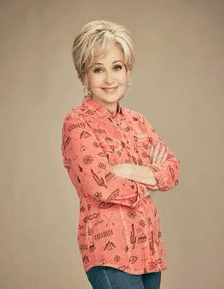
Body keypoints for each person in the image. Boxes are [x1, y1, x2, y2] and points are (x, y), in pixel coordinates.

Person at [61, 20, 180, 289]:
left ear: (127, 71)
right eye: (98, 70)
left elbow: (172, 170)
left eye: (117, 67)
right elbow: (102, 186)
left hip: (149, 250)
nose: (110, 79)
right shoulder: (77, 123)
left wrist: (129, 170)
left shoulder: (138, 122)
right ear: (85, 76)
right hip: (109, 254)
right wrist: (150, 180)